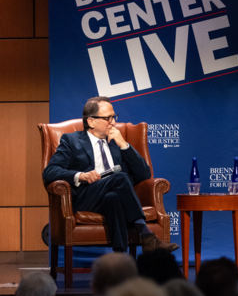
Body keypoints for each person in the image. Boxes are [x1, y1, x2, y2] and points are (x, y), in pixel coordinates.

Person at [42, 96, 178, 253]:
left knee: (113, 197)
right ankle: (146, 235)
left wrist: (124, 145)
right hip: (86, 197)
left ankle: (120, 259)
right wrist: (81, 175)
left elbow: (144, 174)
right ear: (91, 121)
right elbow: (50, 172)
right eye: (108, 118)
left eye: (114, 117)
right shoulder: (72, 141)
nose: (113, 122)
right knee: (120, 177)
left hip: (110, 198)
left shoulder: (116, 143)